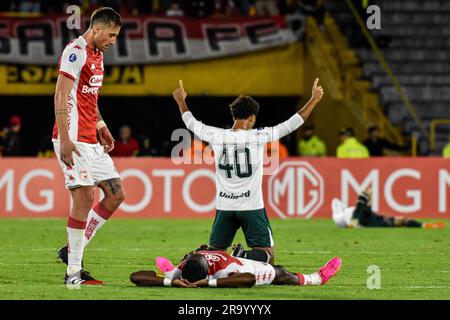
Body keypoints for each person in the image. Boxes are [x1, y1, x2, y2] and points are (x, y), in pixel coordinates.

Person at [172, 78, 324, 264]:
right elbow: (292, 123)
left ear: (234, 116)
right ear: (252, 118)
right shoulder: (259, 136)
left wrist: (181, 101)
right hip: (251, 207)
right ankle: (242, 255)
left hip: (225, 208)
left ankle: (196, 257)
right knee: (268, 257)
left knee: (215, 256)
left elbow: (191, 122)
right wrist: (314, 99)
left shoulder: (217, 135)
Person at [53, 7, 126, 286]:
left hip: (91, 139)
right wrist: (65, 138)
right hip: (72, 137)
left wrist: (100, 125)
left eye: (116, 36)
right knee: (83, 198)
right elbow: (61, 94)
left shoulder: (99, 56)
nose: (113, 40)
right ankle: (73, 273)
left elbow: (89, 97)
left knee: (116, 193)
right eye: (111, 34)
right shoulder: (76, 51)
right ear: (96, 29)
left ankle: (72, 248)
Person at [130, 249, 342, 288]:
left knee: (278, 270)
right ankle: (317, 278)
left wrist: (172, 280)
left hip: (238, 263)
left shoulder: (224, 270)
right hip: (234, 262)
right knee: (279, 272)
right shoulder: (188, 267)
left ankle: (316, 278)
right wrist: (172, 280)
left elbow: (248, 278)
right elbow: (135, 276)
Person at [332, 189, 445, 229]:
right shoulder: (346, 214)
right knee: (402, 220)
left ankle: (425, 225)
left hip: (371, 221)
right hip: (368, 222)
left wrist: (380, 216)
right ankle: (424, 225)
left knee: (402, 220)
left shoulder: (359, 210)